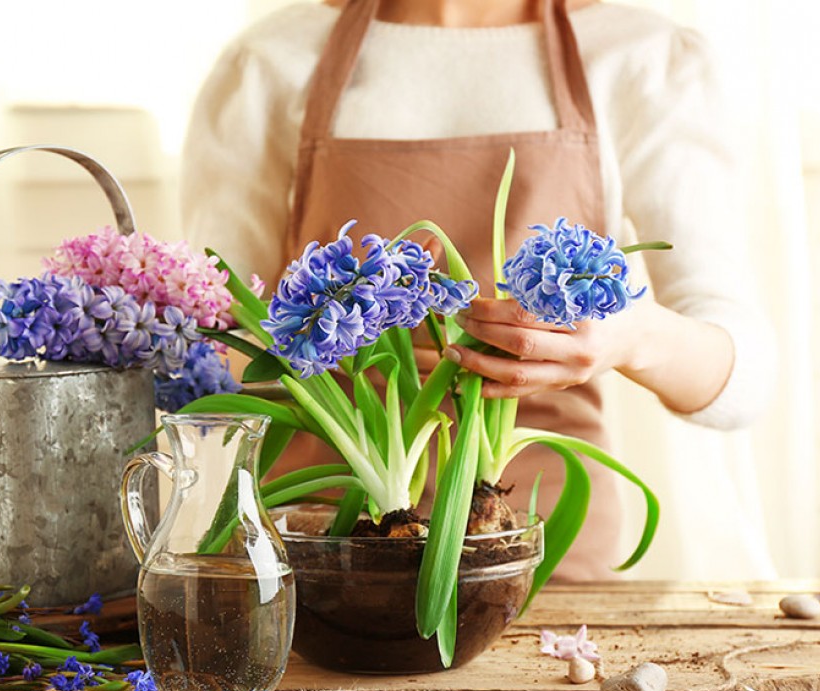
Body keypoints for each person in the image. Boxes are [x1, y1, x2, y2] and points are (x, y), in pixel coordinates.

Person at [180, 0, 776, 579]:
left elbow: (745, 378)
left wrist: (633, 335)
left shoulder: (644, 58)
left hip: (538, 545)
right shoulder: (267, 63)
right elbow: (217, 334)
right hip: (325, 552)